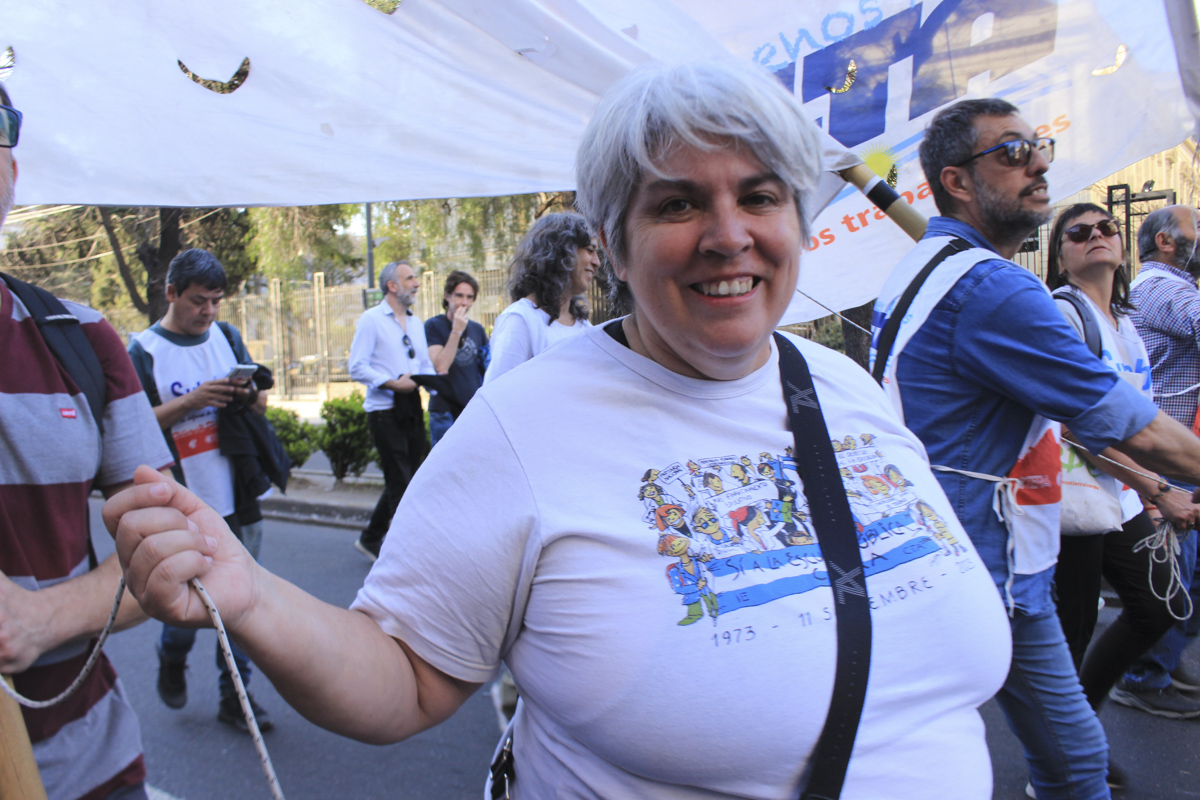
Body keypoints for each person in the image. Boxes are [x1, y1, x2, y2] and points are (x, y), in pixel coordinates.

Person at [106, 60, 1014, 799]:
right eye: (677, 204)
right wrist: (253, 597)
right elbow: (406, 678)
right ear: (610, 245)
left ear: (798, 221)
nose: (727, 234)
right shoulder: (523, 426)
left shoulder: (850, 389)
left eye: (760, 195)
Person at [871, 99, 1200, 799]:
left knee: (1067, 758)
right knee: (1052, 763)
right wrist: (1165, 484)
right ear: (957, 181)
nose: (1041, 164)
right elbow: (1138, 430)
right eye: (1014, 152)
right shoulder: (992, 287)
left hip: (957, 552)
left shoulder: (926, 268)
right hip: (986, 566)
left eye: (1040, 146)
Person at [0, 84, 173, 800]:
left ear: (10, 173)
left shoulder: (80, 339)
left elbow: (169, 554)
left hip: (90, 767)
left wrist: (40, 620)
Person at [1043, 203, 1200, 771]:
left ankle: (1078, 731)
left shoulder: (1125, 323)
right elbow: (1073, 425)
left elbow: (1137, 416)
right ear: (1060, 256)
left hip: (1123, 492)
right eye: (1078, 232)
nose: (1097, 236)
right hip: (1072, 498)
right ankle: (1063, 762)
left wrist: (1146, 497)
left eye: (1107, 227)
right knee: (1073, 631)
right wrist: (1158, 489)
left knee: (1157, 609)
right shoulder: (1063, 313)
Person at [127, 248, 274, 733]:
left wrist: (243, 394)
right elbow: (132, 425)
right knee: (190, 601)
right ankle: (172, 653)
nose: (208, 311)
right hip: (182, 497)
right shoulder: (143, 351)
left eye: (215, 301)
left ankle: (236, 697)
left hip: (239, 489)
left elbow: (260, 405)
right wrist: (192, 401)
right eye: (198, 301)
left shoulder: (226, 337)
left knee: (243, 597)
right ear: (171, 293)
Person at [1114, 204, 1200, 717]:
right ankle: (1145, 674)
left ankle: (1165, 656)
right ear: (1166, 241)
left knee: (1187, 567)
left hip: (1176, 452)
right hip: (1165, 457)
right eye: (1196, 226)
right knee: (1173, 568)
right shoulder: (1165, 288)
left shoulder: (1166, 287)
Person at [348, 260, 434, 560]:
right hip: (384, 410)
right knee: (400, 482)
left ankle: (370, 538)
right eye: (410, 278)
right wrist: (391, 383)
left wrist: (433, 383)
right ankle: (402, 556)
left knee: (409, 478)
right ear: (392, 286)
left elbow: (424, 364)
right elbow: (356, 366)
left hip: (411, 408)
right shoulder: (371, 320)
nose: (417, 283)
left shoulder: (416, 323)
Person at [482, 213, 597, 383]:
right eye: (590, 250)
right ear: (562, 251)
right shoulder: (520, 320)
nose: (597, 262)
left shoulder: (584, 326)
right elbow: (497, 392)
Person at [424, 270, 488, 444]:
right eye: (459, 296)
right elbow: (441, 366)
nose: (464, 302)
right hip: (444, 411)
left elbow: (486, 368)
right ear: (447, 296)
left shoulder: (477, 329)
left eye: (469, 297)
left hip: (471, 409)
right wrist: (456, 330)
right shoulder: (433, 326)